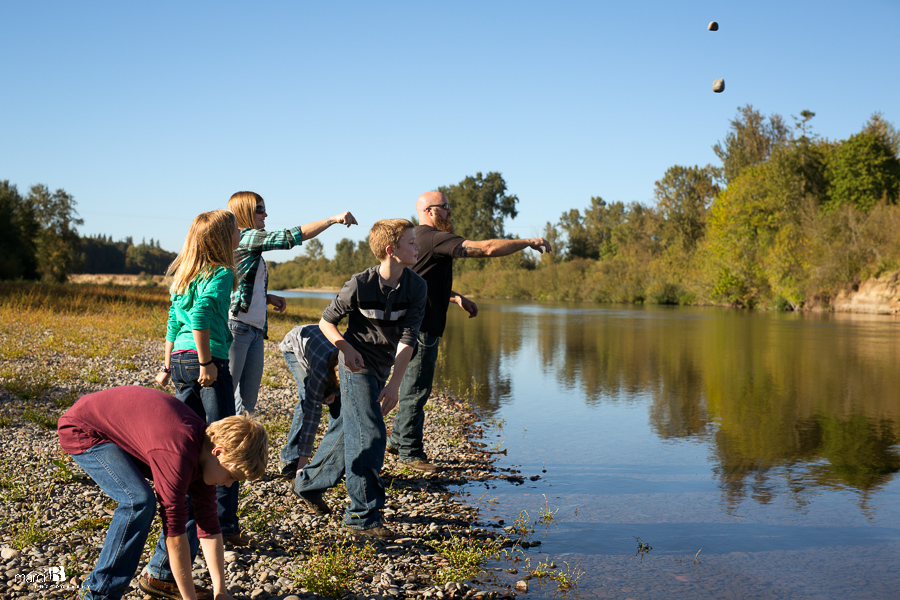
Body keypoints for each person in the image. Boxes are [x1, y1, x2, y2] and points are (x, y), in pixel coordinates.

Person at [386, 191, 552, 473]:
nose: (450, 212)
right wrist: (527, 242)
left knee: (411, 385)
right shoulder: (435, 237)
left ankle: (399, 439)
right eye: (446, 207)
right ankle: (410, 455)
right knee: (416, 389)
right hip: (421, 329)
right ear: (429, 211)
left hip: (414, 325)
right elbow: (485, 248)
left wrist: (453, 296)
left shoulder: (418, 241)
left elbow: (418, 281)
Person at [57, 386, 268, 600]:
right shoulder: (177, 453)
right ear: (218, 452)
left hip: (124, 431)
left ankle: (162, 576)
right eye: (231, 476)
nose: (229, 485)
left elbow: (209, 525)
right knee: (138, 502)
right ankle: (99, 592)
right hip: (85, 430)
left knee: (192, 499)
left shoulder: (204, 453)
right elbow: (174, 534)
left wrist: (220, 591)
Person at [292, 218, 426, 539]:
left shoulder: (416, 286)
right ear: (391, 250)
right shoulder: (360, 284)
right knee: (370, 432)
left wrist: (395, 383)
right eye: (412, 242)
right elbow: (327, 321)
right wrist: (345, 347)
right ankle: (363, 516)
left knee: (347, 430)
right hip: (355, 366)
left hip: (383, 368)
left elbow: (408, 338)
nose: (418, 248)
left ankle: (308, 483)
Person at [154, 209, 248, 546]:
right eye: (236, 229)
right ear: (224, 238)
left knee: (189, 439)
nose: (240, 233)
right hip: (206, 361)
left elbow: (172, 322)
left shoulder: (184, 275)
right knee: (225, 442)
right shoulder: (221, 274)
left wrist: (166, 367)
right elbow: (200, 315)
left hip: (179, 361)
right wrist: (207, 361)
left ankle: (185, 510)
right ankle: (224, 523)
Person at [226, 191, 357, 416]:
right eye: (259, 209)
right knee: (226, 397)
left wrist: (266, 298)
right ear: (243, 212)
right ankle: (214, 446)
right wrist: (332, 219)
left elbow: (239, 285)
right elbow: (291, 237)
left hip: (255, 330)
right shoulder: (246, 237)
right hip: (238, 327)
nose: (265, 214)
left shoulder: (249, 241)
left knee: (247, 403)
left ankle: (238, 448)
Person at [277, 324, 341, 479]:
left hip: (321, 346)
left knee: (337, 402)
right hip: (295, 344)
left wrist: (334, 392)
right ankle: (290, 458)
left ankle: (333, 459)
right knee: (308, 399)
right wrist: (302, 464)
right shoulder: (320, 368)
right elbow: (312, 415)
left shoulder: (354, 362)